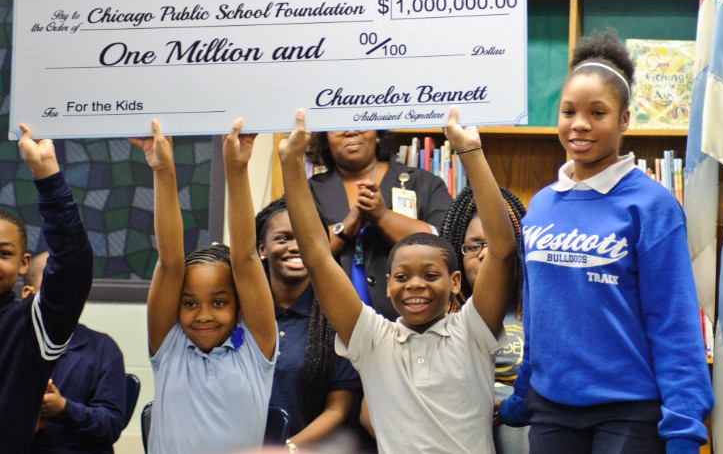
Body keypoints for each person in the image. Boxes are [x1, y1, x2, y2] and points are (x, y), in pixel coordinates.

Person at [498, 31, 713, 454]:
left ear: (625, 119)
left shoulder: (652, 206)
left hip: (630, 412)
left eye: (598, 113)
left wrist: (685, 426)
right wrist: (522, 394)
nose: (580, 124)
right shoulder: (540, 205)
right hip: (551, 409)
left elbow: (673, 320)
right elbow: (539, 314)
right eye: (569, 111)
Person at [279, 107, 516, 453]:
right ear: (388, 284)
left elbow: (502, 250)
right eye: (402, 277)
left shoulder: (473, 330)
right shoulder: (373, 340)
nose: (415, 285)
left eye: (430, 275)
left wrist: (470, 151)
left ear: (454, 282)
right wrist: (289, 162)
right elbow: (316, 258)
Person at [131, 119, 277, 454]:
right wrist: (162, 169)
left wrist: (236, 168)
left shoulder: (255, 352)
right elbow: (170, 261)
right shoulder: (169, 348)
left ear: (239, 307)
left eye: (220, 302)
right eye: (190, 303)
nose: (203, 315)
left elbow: (246, 259)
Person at [0, 124, 94, 452]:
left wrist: (47, 176)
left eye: (3, 253)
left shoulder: (26, 327)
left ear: (24, 264)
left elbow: (72, 269)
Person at [307, 129, 453, 320]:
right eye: (338, 126)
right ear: (325, 138)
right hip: (331, 326)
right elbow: (297, 250)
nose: (350, 131)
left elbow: (446, 244)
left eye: (360, 123)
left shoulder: (424, 183)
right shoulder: (309, 190)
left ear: (378, 134)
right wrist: (345, 228)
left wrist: (382, 216)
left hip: (410, 322)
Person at [255, 198, 363, 451]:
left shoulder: (335, 318)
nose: (295, 247)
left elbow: (338, 409)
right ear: (262, 249)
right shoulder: (242, 314)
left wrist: (287, 449)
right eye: (283, 238)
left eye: (304, 238)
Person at [441, 186, 529, 454]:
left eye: (495, 245)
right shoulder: (439, 319)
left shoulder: (540, 313)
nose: (484, 254)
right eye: (474, 245)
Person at [22, 252, 126, 454]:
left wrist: (63, 409)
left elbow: (111, 425)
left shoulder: (103, 349)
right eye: (55, 281)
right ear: (29, 293)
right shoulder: (12, 346)